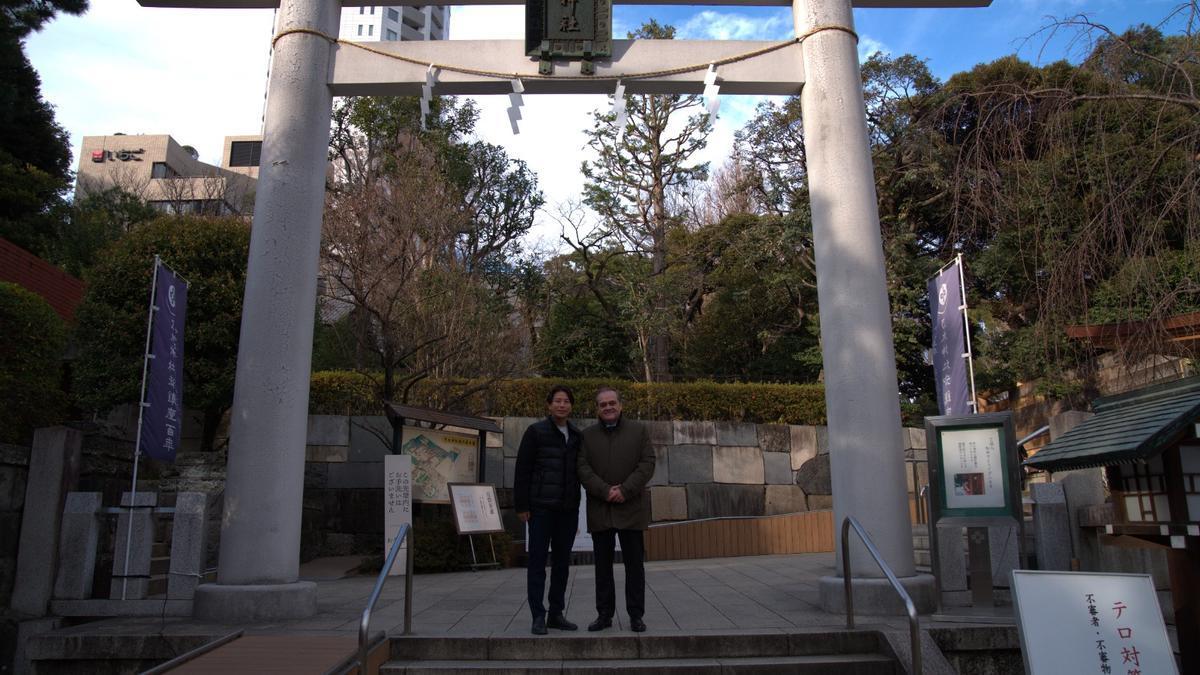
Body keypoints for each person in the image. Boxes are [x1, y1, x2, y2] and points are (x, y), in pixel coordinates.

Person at [577, 386, 655, 632]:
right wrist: (605, 490)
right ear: (597, 409)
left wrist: (625, 490)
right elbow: (582, 468)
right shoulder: (587, 436)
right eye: (603, 404)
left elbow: (647, 463)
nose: (608, 407)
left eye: (612, 403)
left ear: (620, 405)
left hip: (631, 509)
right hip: (601, 509)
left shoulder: (638, 431)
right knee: (602, 567)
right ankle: (604, 615)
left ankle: (636, 615)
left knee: (634, 565)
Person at [513, 384, 582, 635]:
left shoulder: (576, 435)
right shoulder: (535, 432)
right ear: (549, 405)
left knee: (562, 564)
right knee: (537, 562)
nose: (562, 405)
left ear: (571, 406)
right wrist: (522, 505)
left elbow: (579, 473)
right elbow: (523, 470)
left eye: (566, 401)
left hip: (567, 510)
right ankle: (537, 615)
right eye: (557, 401)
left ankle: (556, 613)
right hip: (540, 509)